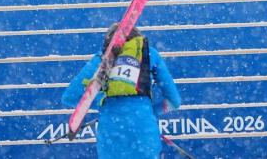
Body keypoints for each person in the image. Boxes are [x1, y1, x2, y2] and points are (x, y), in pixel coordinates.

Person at [62, 25, 182, 159]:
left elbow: (70, 97)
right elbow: (174, 101)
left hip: (111, 136)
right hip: (144, 133)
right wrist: (149, 111)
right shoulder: (150, 54)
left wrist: (105, 105)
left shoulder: (102, 58)